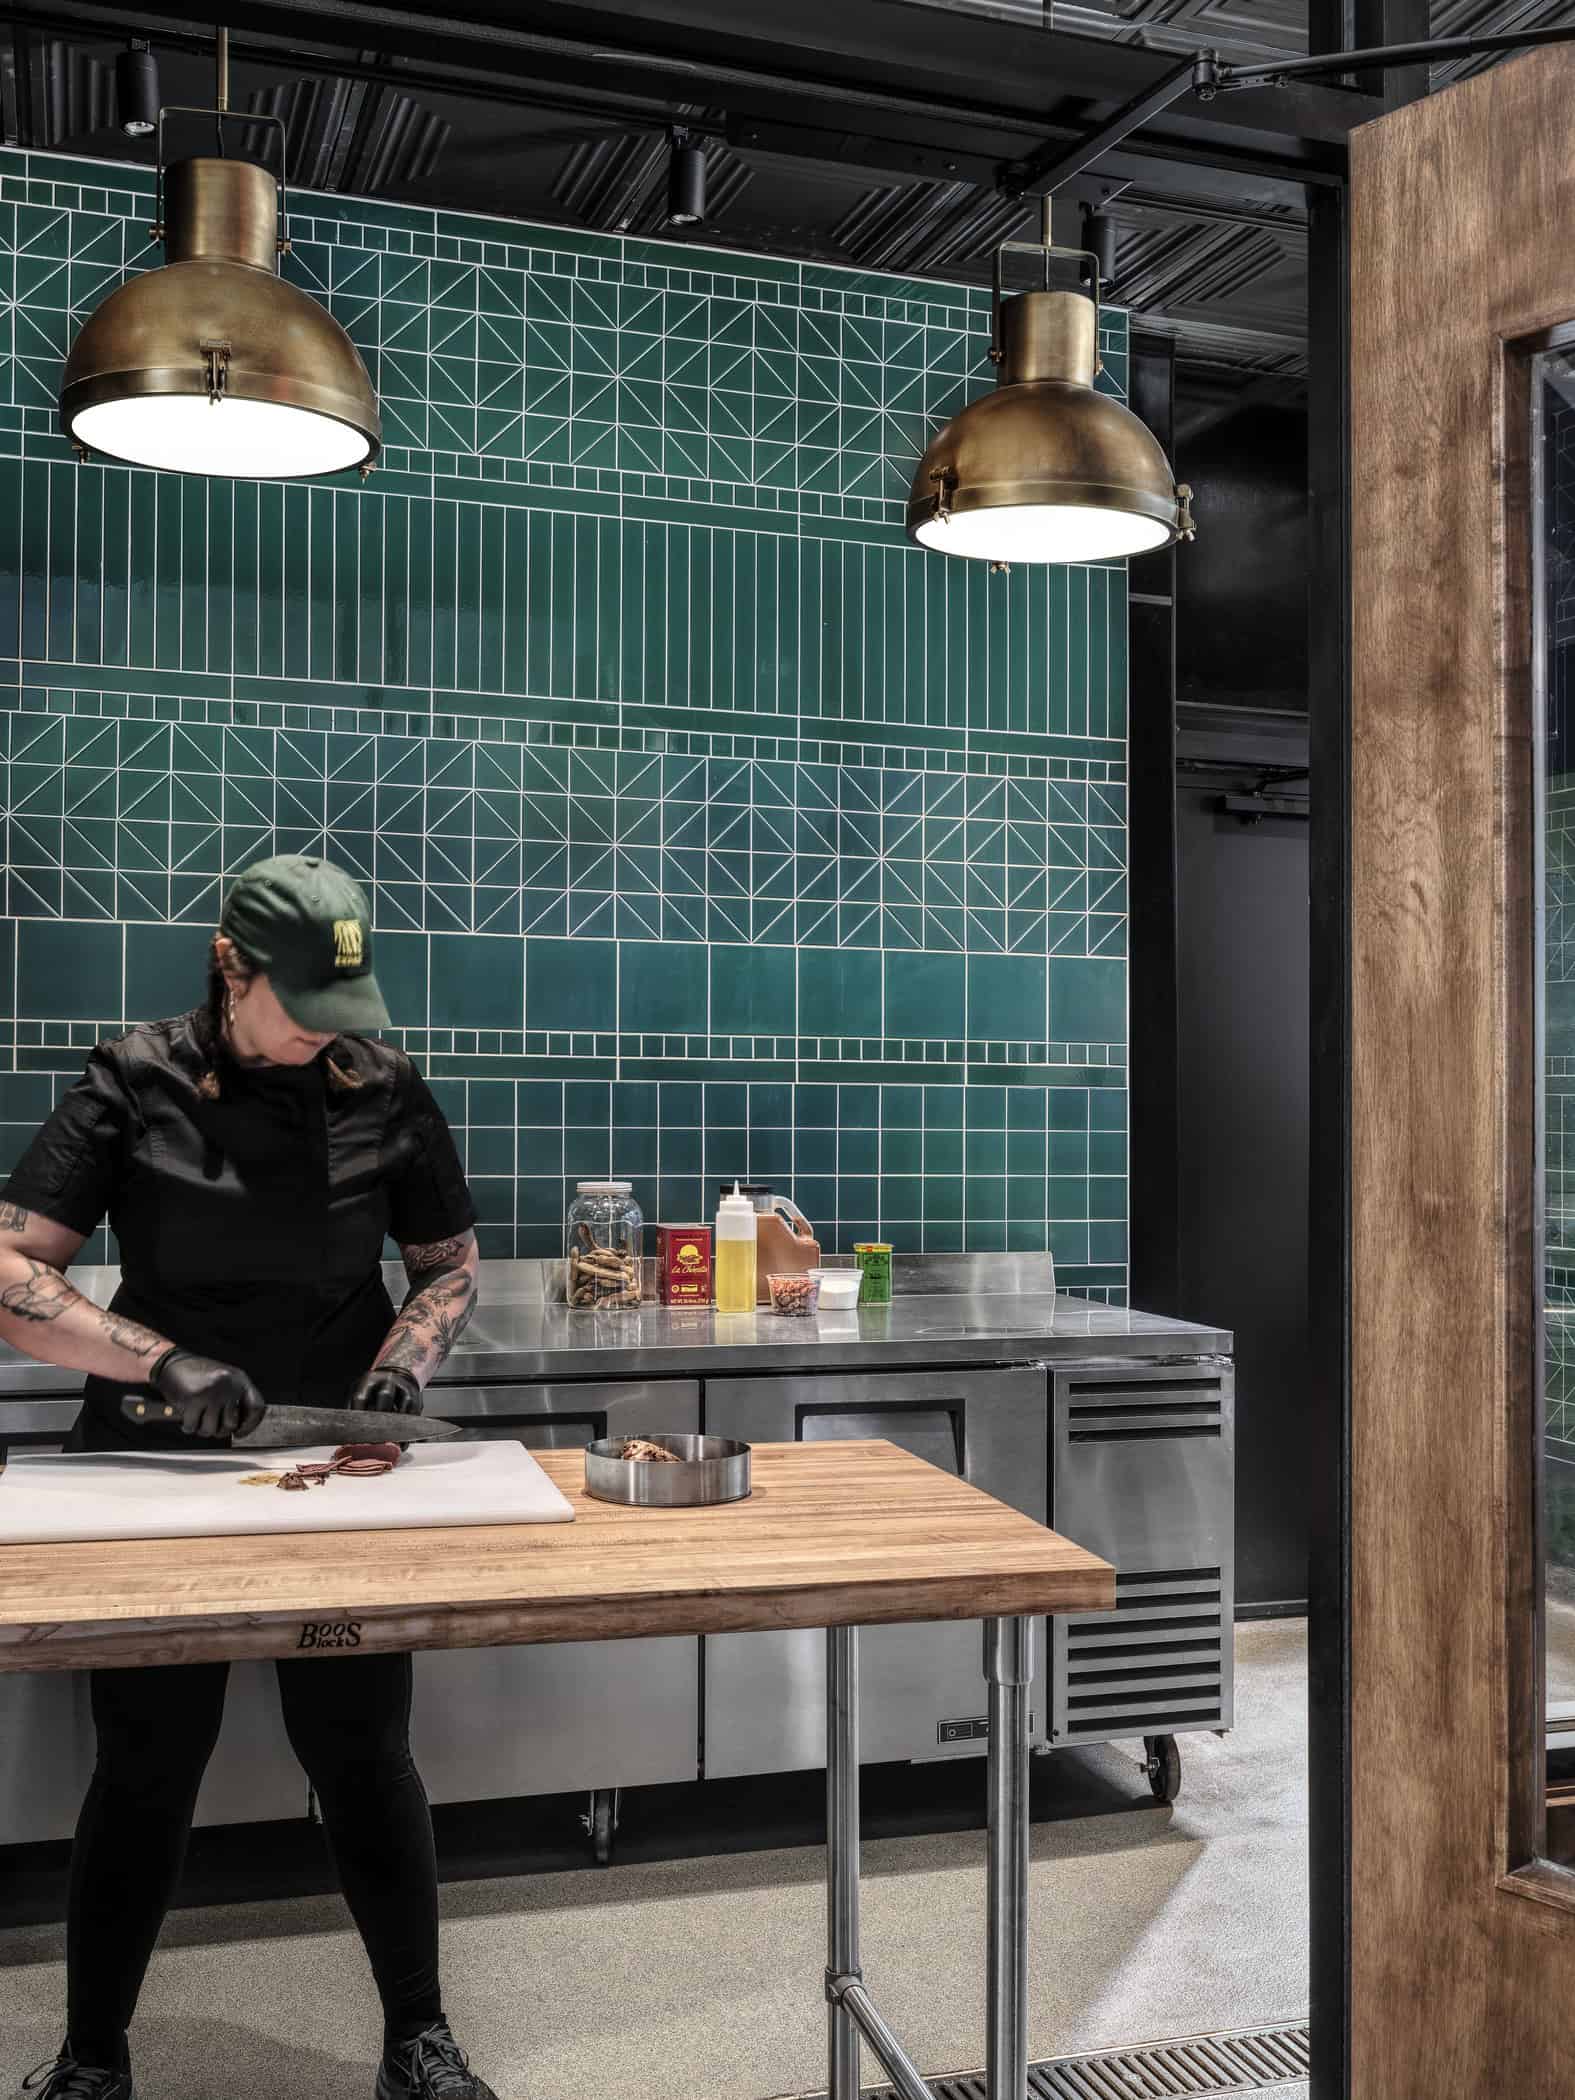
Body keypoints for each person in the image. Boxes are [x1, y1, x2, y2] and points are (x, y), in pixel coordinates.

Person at [0, 856, 495, 2100]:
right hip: (160, 1465)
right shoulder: (135, 1075)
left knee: (363, 1751)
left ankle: (417, 2044)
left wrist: (400, 1370)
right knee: (149, 1762)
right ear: (231, 966)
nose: (333, 1032)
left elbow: (447, 1265)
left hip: (334, 1463)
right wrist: (157, 1361)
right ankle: (92, 2060)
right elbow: (16, 1274)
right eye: (303, 1004)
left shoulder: (382, 1087)